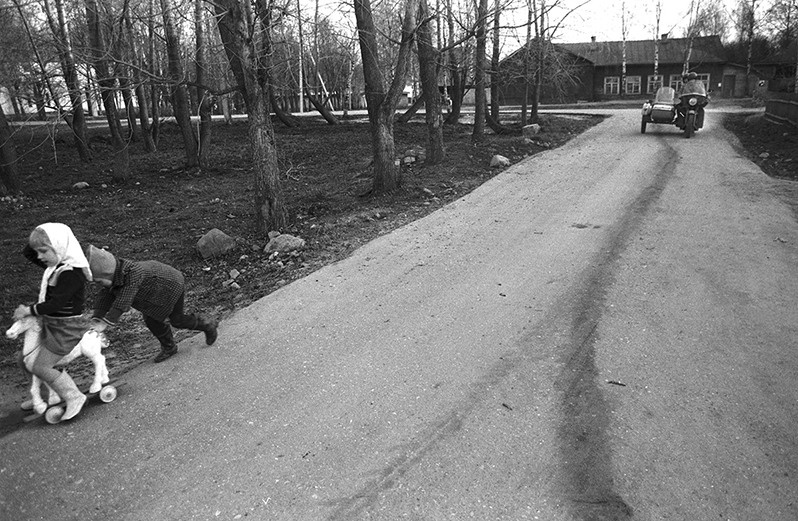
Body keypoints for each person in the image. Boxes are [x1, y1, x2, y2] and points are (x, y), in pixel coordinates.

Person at [85, 245, 218, 363]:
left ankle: (207, 324)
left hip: (172, 285)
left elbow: (124, 300)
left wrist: (106, 322)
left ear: (107, 273)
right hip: (154, 295)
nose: (99, 284)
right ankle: (169, 347)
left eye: (99, 281)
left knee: (177, 320)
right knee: (152, 321)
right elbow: (105, 297)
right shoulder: (115, 278)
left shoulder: (133, 273)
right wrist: (97, 317)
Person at [15, 223, 92, 420]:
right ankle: (44, 395)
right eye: (38, 252)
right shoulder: (55, 266)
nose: (39, 256)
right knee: (23, 359)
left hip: (66, 329)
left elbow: (56, 304)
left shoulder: (70, 273)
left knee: (40, 366)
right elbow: (30, 253)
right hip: (51, 324)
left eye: (43, 251)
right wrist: (39, 237)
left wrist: (28, 310)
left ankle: (74, 396)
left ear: (60, 247)